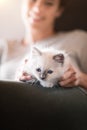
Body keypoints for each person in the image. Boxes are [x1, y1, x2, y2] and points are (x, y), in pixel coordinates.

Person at [0, 0, 87, 90]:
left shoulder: (78, 39)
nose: (37, 9)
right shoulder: (3, 46)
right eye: (33, 0)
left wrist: (80, 79)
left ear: (58, 11)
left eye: (48, 3)